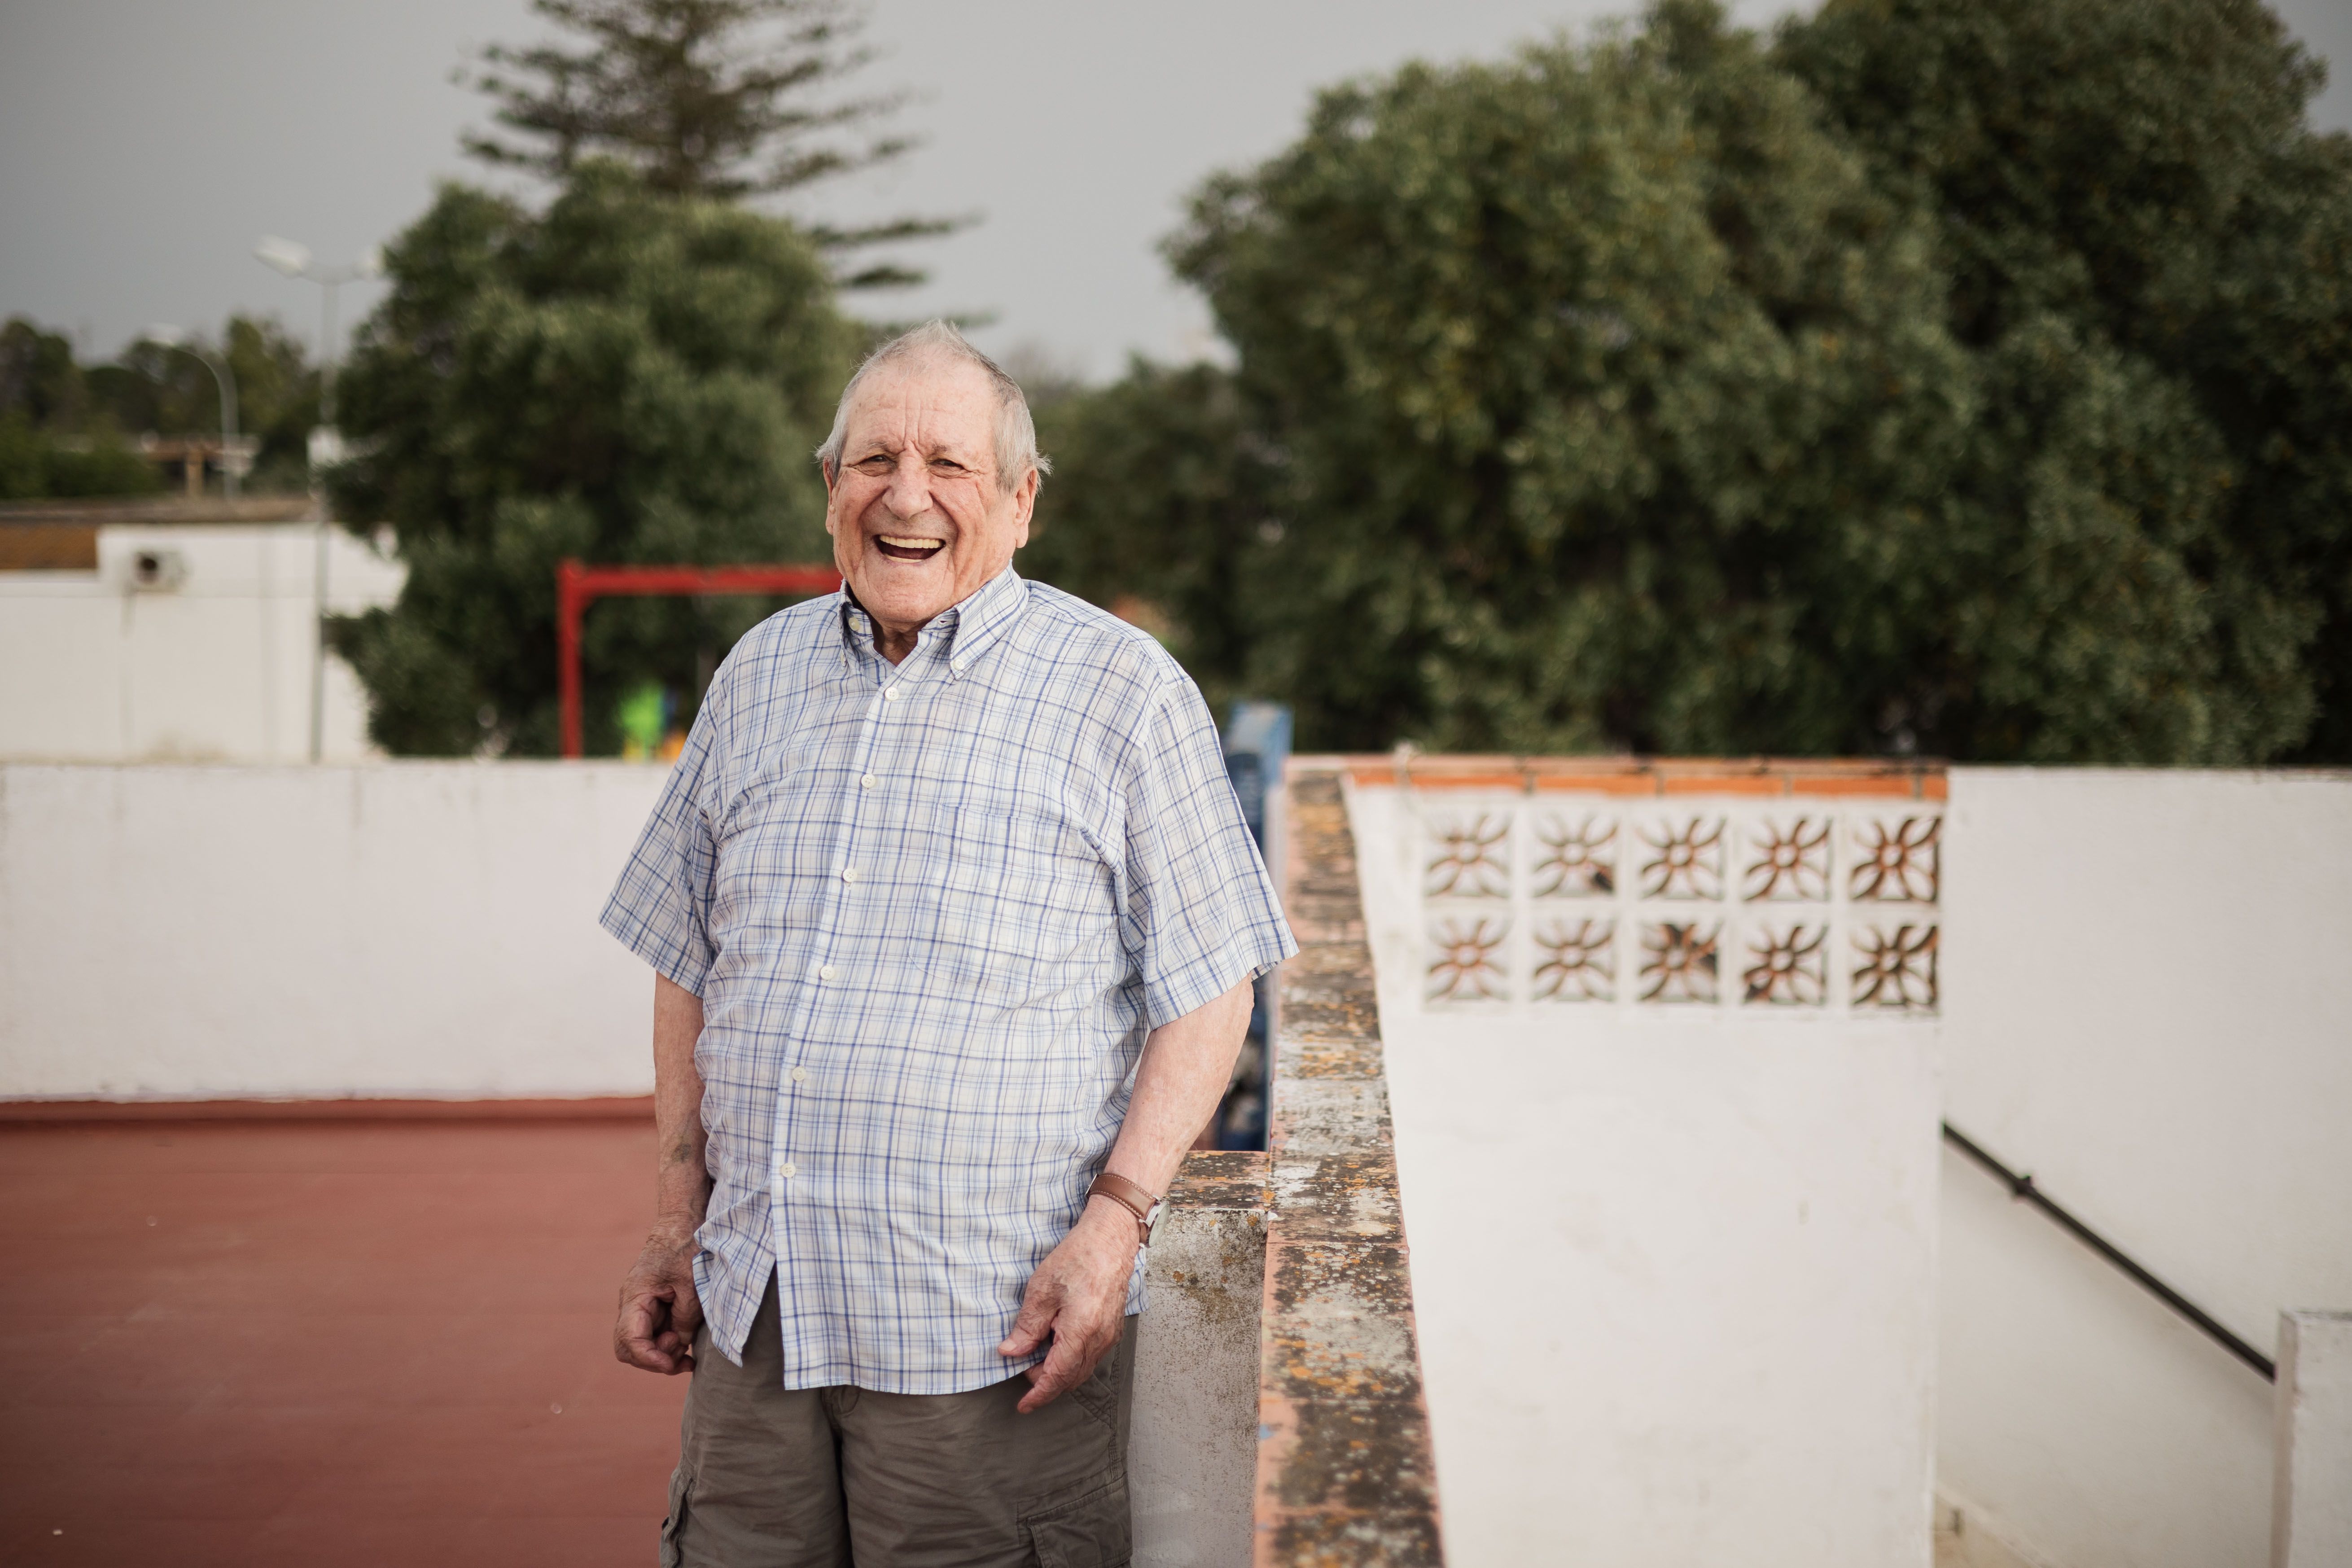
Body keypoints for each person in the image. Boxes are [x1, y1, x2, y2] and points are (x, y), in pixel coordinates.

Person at [599, 320, 1294, 1567]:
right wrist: (670, 1214)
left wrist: (1116, 1226)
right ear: (828, 491)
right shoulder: (755, 679)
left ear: (1021, 502)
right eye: (872, 460)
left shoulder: (1121, 692)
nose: (904, 496)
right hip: (760, 1314)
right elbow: (686, 958)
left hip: (987, 1337)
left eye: (949, 466)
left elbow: (1212, 991)